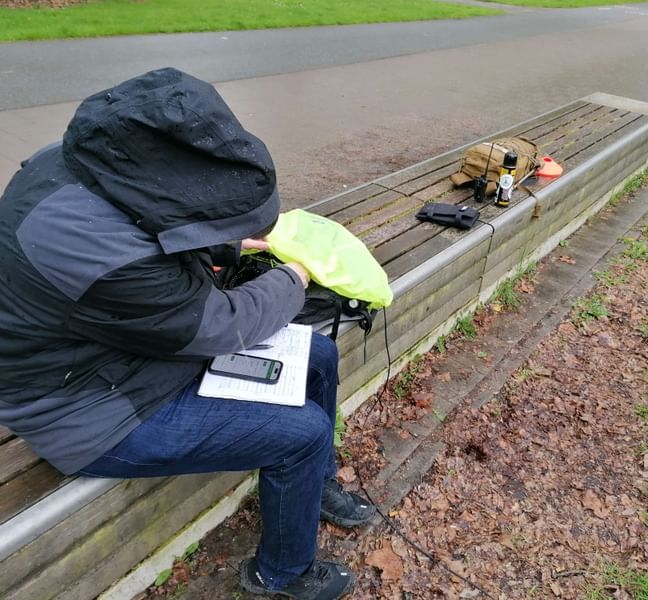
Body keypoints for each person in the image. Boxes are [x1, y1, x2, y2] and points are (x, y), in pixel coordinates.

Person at [0, 68, 374, 599]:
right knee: (304, 432)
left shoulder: (96, 165)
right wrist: (296, 276)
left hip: (122, 353)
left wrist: (230, 242)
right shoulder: (91, 250)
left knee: (318, 353)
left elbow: (160, 222)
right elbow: (219, 324)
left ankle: (315, 483)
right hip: (84, 409)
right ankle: (282, 574)